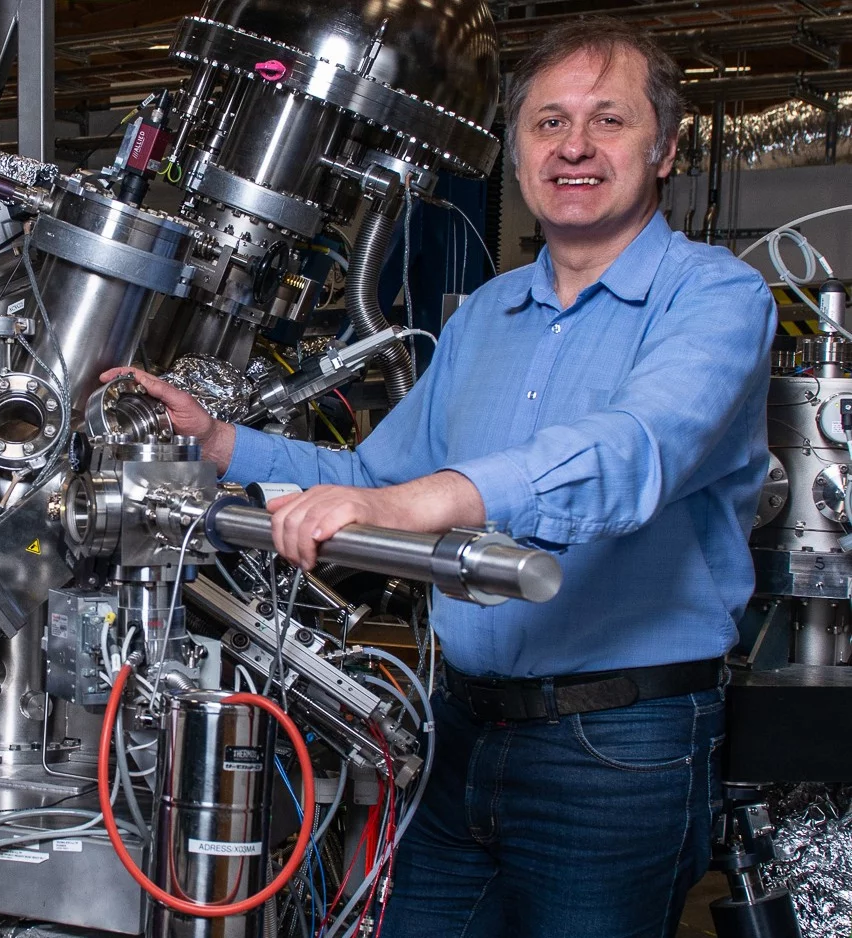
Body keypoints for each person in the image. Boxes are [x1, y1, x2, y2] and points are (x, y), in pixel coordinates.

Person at [106, 16, 775, 938]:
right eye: (548, 123)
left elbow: (634, 453)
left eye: (607, 121)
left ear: (663, 149)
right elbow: (372, 472)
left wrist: (411, 503)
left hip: (617, 746)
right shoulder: (489, 313)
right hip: (457, 734)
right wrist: (221, 443)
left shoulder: (716, 298)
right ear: (519, 150)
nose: (573, 146)